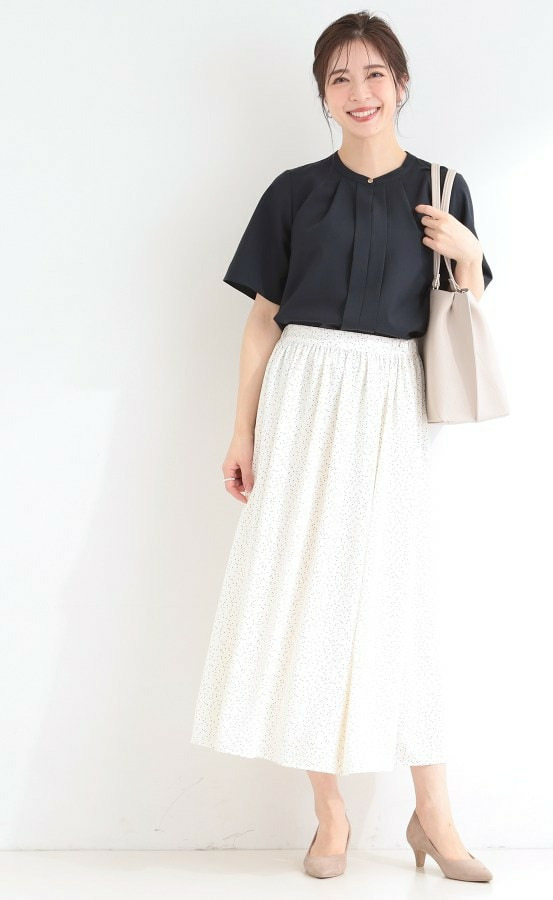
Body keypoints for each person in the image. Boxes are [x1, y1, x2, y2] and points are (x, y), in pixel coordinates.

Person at [190, 11, 494, 883]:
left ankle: (435, 816)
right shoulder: (294, 192)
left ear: (401, 83)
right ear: (323, 93)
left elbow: (468, 312)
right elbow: (262, 319)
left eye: (373, 75)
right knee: (307, 596)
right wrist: (242, 428)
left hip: (396, 401)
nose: (358, 93)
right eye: (339, 78)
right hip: (303, 395)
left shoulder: (442, 187)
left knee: (403, 601)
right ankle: (330, 817)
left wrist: (468, 253)